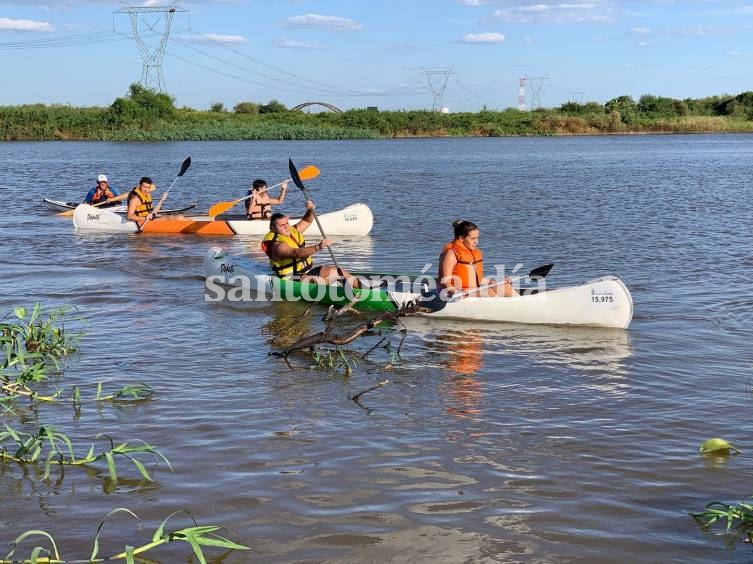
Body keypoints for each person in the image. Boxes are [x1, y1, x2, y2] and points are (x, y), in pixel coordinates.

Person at [261, 200, 360, 288]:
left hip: (308, 270)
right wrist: (318, 247)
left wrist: (311, 209)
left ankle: (364, 289)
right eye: (282, 225)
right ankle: (336, 291)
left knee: (339, 271)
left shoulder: (292, 231)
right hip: (290, 278)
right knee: (315, 281)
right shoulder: (277, 246)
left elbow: (307, 220)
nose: (286, 227)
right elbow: (296, 253)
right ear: (273, 228)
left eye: (287, 223)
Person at [438, 220, 517, 298]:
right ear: (461, 238)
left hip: (472, 291)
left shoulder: (473, 253)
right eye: (473, 239)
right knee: (490, 293)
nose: (476, 242)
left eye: (477, 238)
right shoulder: (450, 254)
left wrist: (493, 282)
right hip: (453, 294)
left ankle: (522, 306)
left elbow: (478, 280)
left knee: (505, 287)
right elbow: (445, 283)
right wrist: (459, 292)